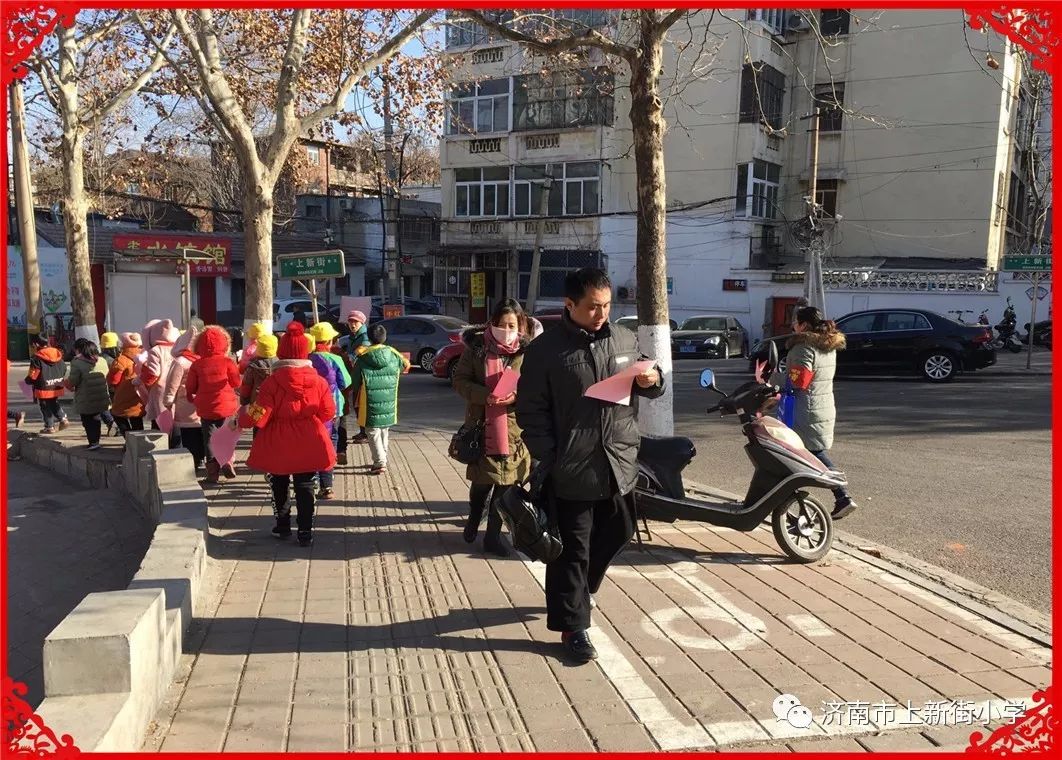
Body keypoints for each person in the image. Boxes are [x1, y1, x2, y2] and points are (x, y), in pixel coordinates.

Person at [516, 268, 664, 664]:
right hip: (571, 467)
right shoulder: (546, 351)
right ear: (570, 306)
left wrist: (653, 380)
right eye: (593, 307)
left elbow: (649, 377)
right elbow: (530, 410)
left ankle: (583, 593)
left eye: (607, 306)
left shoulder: (623, 338)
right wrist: (549, 456)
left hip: (618, 460)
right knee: (572, 552)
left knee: (620, 530)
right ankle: (573, 626)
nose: (601, 314)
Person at [238, 322, 336, 547]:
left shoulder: (273, 382)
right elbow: (329, 411)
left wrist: (242, 420)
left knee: (279, 482)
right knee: (306, 484)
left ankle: (283, 525)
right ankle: (305, 531)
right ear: (305, 353)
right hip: (310, 438)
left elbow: (260, 413)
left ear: (282, 352)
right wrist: (308, 421)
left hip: (278, 439)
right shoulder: (319, 381)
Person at [452, 298, 532, 556]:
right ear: (492, 324)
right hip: (482, 428)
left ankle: (493, 537)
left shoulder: (527, 352)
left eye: (512, 325)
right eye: (502, 324)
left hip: (514, 431)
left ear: (521, 325)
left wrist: (517, 396)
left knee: (506, 486)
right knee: (482, 484)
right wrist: (484, 395)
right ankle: (475, 516)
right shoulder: (476, 349)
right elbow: (460, 380)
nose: (507, 330)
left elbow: (538, 385)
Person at [785, 306, 858, 520]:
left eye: (796, 322)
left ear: (805, 325)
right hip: (823, 405)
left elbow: (799, 382)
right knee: (807, 452)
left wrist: (772, 380)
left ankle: (842, 496)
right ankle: (788, 500)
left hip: (805, 409)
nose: (793, 326)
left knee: (809, 453)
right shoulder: (828, 346)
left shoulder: (803, 347)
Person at [349, 324, 408, 475]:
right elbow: (404, 366)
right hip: (389, 399)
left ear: (369, 337)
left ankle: (379, 461)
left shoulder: (362, 358)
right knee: (384, 429)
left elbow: (355, 382)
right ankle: (383, 458)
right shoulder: (393, 355)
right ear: (385, 337)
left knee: (372, 431)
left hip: (368, 400)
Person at [186, 325, 241, 484]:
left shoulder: (197, 365)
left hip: (206, 407)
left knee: (209, 438)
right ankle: (227, 461)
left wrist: (191, 396)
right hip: (227, 406)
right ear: (224, 344)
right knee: (227, 436)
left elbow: (191, 386)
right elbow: (236, 382)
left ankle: (212, 473)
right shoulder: (228, 362)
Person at [309, 322, 351, 499]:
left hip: (311, 408)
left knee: (312, 444)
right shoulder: (336, 359)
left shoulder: (307, 359)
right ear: (329, 340)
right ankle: (327, 485)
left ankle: (313, 480)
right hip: (332, 408)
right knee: (330, 443)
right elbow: (345, 383)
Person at [163, 327, 205, 470]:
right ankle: (201, 458)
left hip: (185, 402)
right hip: (202, 402)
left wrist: (168, 400)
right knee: (201, 432)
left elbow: (172, 383)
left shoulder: (180, 361)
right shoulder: (202, 359)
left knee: (188, 434)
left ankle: (193, 460)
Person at [64, 341, 111, 450]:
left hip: (86, 396)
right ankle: (96, 441)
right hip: (102, 394)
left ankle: (93, 442)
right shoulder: (102, 360)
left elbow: (73, 381)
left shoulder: (77, 362)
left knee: (88, 420)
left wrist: (67, 383)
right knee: (96, 418)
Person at [25, 334, 69, 433]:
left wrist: (28, 381)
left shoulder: (36, 358)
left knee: (44, 405)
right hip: (56, 385)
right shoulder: (57, 354)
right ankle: (63, 418)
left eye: (33, 345)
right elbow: (64, 368)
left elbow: (33, 375)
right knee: (53, 402)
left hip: (43, 387)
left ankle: (49, 426)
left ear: (36, 344)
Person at [341, 309, 371, 447]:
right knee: (357, 404)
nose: (352, 324)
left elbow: (359, 356)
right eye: (350, 321)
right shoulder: (353, 336)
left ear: (362, 323)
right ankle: (362, 431)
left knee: (361, 405)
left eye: (355, 322)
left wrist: (348, 357)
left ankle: (365, 433)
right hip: (355, 375)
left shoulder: (364, 338)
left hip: (363, 376)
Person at [108, 332, 146, 437]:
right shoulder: (143, 357)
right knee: (136, 416)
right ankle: (139, 440)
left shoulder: (121, 360)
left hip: (123, 393)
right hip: (139, 393)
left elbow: (114, 380)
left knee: (117, 414)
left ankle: (128, 438)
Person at [239, 333, 278, 416]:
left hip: (257, 404)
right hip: (276, 404)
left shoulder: (253, 366)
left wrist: (244, 401)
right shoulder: (280, 365)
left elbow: (246, 386)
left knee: (257, 424)